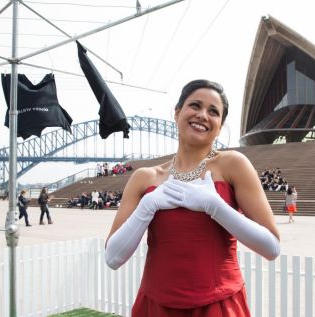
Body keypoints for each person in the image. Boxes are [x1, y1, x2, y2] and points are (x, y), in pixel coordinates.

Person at [105, 79, 280, 316]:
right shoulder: (145, 177)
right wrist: (147, 207)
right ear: (177, 113)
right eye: (195, 106)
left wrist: (215, 206)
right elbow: (113, 258)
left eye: (213, 112)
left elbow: (271, 247)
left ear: (220, 125)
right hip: (155, 307)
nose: (202, 115)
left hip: (218, 306)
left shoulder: (233, 165)